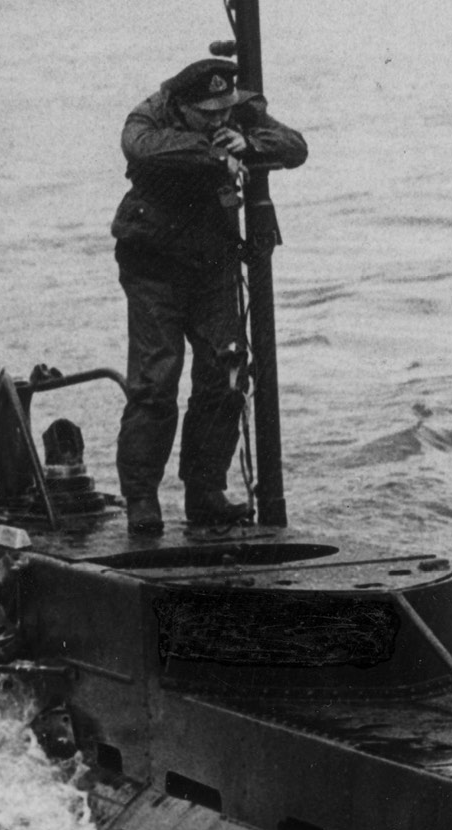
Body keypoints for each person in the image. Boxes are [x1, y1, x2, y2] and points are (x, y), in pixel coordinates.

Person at [111, 58, 307, 534]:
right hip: (154, 263)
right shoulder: (151, 114)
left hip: (212, 261)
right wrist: (217, 152)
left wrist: (251, 142)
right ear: (182, 106)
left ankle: (205, 491)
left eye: (225, 112)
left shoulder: (234, 115)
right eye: (208, 114)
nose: (220, 120)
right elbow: (142, 150)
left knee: (227, 372)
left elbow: (295, 146)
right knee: (157, 378)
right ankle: (141, 496)